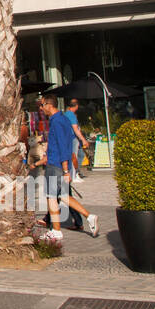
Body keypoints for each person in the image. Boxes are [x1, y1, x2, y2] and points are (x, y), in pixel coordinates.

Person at [40, 97, 98, 240]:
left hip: (56, 163)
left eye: (42, 105)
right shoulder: (62, 119)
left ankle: (57, 231)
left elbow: (62, 145)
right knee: (64, 196)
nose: (41, 108)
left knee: (51, 196)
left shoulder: (57, 121)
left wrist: (66, 170)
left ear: (49, 105)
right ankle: (89, 216)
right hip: (60, 163)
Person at [65, 98, 91, 181]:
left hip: (70, 138)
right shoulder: (71, 115)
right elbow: (75, 129)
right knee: (74, 157)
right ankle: (74, 174)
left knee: (79, 155)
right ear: (76, 106)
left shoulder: (66, 114)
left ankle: (75, 173)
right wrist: (83, 139)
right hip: (73, 138)